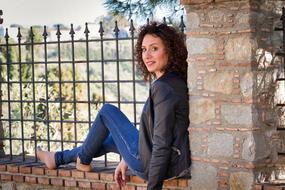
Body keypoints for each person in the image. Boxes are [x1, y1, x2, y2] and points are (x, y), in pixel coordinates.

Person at [37, 22, 191, 189]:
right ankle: (59, 158)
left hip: (152, 164)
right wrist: (126, 159)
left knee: (107, 112)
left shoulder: (163, 88)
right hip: (171, 160)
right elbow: (160, 132)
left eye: (154, 48)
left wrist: (152, 186)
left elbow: (161, 143)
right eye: (144, 49)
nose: (147, 55)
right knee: (110, 139)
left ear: (170, 49)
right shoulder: (174, 81)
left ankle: (82, 160)